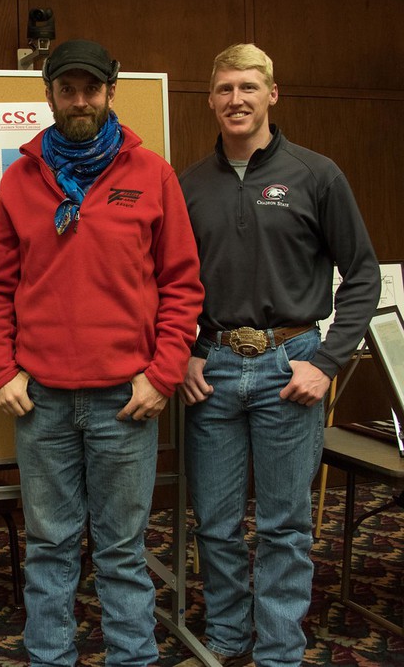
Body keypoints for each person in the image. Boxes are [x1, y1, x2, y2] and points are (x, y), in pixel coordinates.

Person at [0, 39, 203, 666]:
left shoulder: (151, 173)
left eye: (91, 88)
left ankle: (132, 657)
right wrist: (2, 370)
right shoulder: (20, 180)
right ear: (48, 93)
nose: (79, 100)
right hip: (40, 402)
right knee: (48, 544)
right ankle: (51, 656)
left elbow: (182, 285)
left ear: (111, 90)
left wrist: (162, 375)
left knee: (123, 548)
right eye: (67, 89)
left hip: (126, 400)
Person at [177, 44, 381, 666]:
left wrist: (327, 362)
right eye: (224, 89)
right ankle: (230, 640)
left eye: (248, 87)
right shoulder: (186, 186)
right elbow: (168, 287)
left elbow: (363, 278)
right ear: (210, 100)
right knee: (213, 522)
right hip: (209, 370)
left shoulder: (317, 175)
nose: (236, 99)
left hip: (289, 367)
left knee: (285, 527)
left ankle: (279, 652)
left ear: (272, 95)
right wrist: (184, 352)